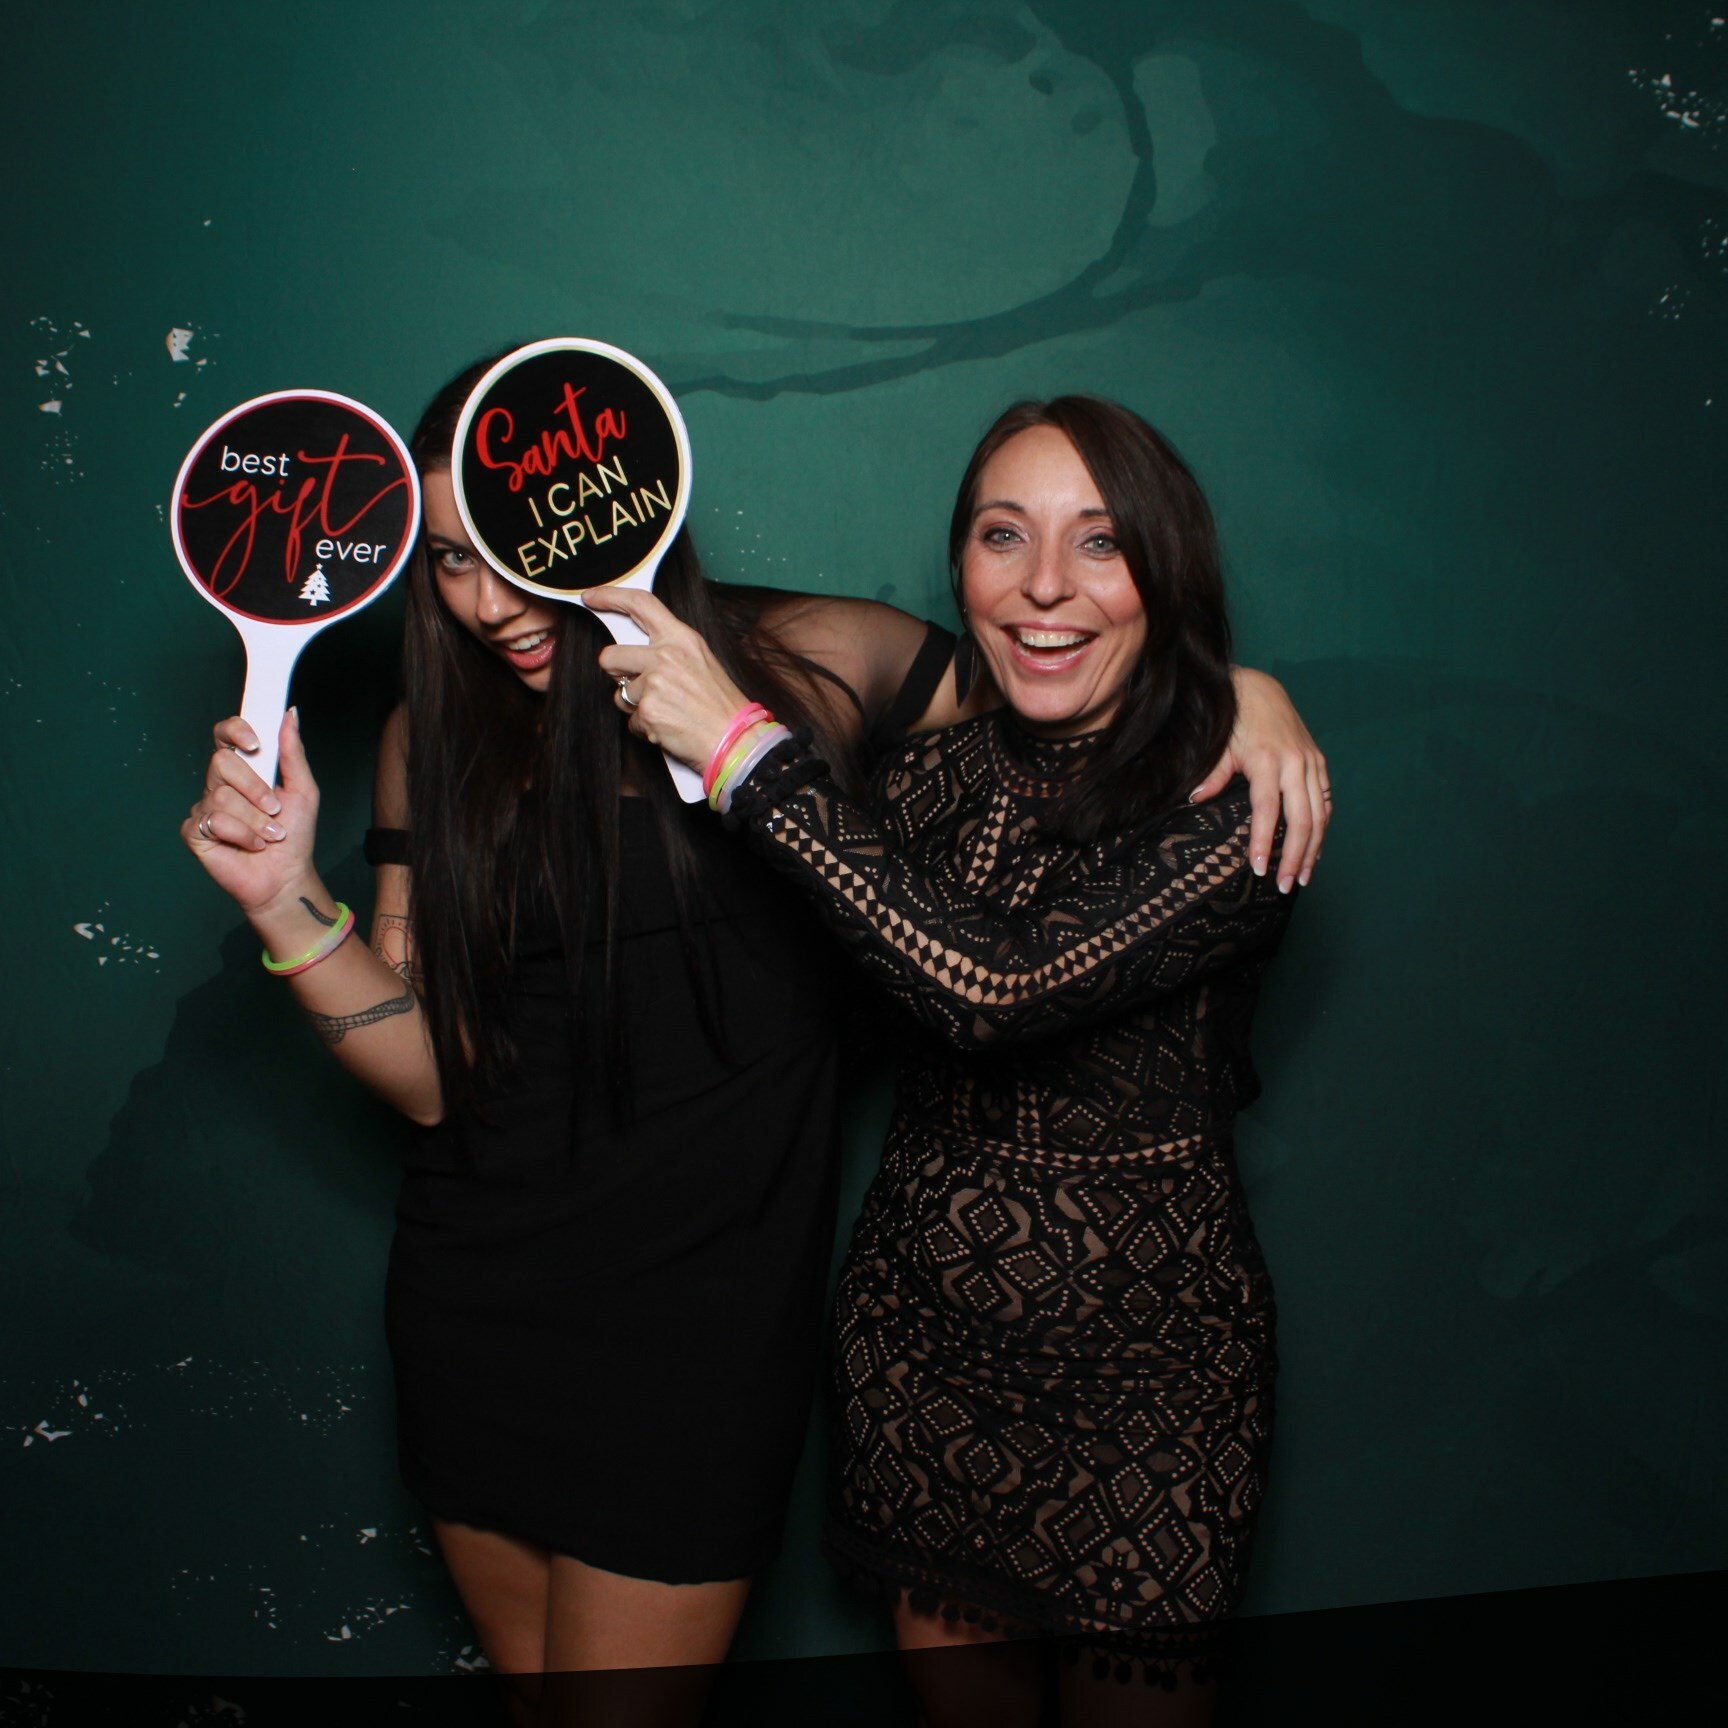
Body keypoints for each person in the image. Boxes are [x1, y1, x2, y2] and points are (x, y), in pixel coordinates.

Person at [181, 358, 1327, 1709]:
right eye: (447, 561)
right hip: (477, 1307)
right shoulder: (430, 736)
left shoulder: (816, 666)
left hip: (700, 1337)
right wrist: (289, 905)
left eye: (511, 546)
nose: (488, 602)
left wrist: (1240, 690)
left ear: (609, 509)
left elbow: (1061, 681)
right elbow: (435, 1079)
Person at [588, 394, 1316, 1725]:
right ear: (962, 562)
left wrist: (746, 753)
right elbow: (830, 965)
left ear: (1168, 570)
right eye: (1003, 535)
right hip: (917, 1351)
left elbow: (992, 988)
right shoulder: (923, 781)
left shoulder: (1238, 793)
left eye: (1102, 542)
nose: (1045, 586)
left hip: (1153, 1382)